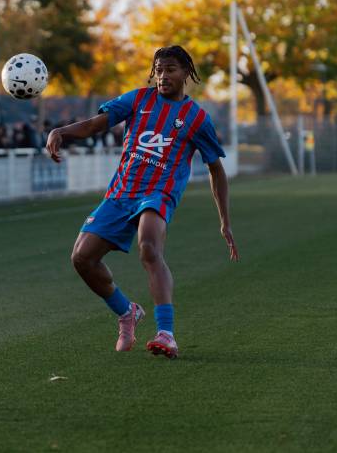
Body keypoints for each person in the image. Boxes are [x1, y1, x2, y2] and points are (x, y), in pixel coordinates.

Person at [45, 45, 239, 359]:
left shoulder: (197, 118)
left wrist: (225, 221)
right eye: (159, 70)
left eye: (171, 69)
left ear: (186, 73)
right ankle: (127, 312)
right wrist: (60, 131)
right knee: (82, 259)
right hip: (121, 193)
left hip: (158, 194)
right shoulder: (137, 100)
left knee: (149, 247)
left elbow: (216, 170)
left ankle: (166, 333)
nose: (163, 76)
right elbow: (96, 124)